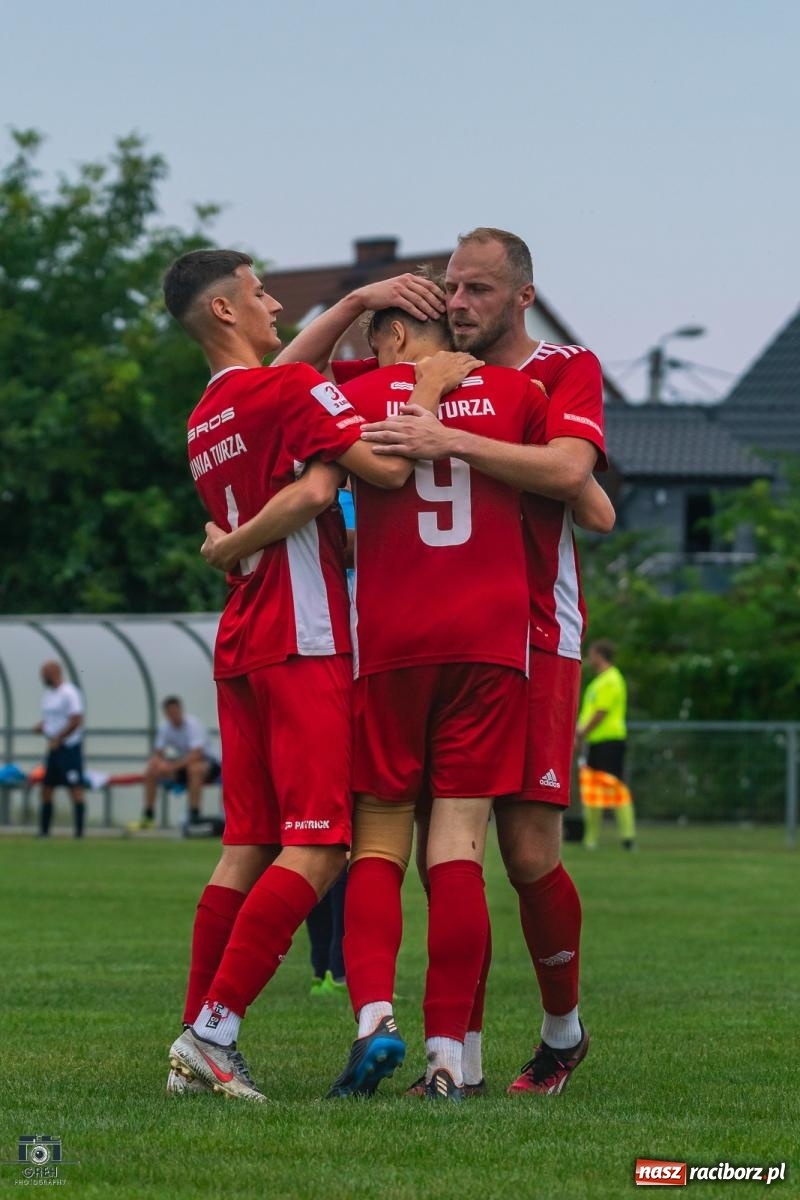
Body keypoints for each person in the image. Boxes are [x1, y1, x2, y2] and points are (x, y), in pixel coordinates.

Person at [202, 283, 612, 1101]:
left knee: (380, 844)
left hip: (388, 647)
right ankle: (450, 1059)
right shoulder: (516, 393)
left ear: (390, 336)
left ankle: (372, 1018)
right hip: (494, 645)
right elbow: (593, 505)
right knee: (459, 847)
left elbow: (290, 404)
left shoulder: (354, 396)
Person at [161, 248, 478, 1102]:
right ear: (225, 310)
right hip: (303, 635)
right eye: (260, 292)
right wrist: (425, 389)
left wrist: (355, 300)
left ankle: (191, 1046)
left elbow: (289, 397)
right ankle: (212, 1031)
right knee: (320, 843)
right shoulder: (289, 392)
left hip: (242, 637)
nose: (273, 305)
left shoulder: (206, 415)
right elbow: (380, 471)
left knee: (246, 847)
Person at [353, 228, 610, 1096]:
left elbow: (576, 477)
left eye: (478, 291)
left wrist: (446, 438)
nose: (458, 304)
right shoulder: (418, 375)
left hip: (538, 629)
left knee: (528, 852)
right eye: (452, 288)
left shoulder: (561, 368)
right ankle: (455, 1056)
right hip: (449, 634)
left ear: (523, 298)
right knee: (445, 848)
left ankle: (562, 1031)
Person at [576, 640, 635, 850]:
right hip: (596, 741)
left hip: (610, 741)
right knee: (592, 790)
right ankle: (590, 839)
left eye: (591, 654)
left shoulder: (612, 679)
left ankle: (628, 837)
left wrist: (581, 733)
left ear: (600, 656)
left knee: (615, 787)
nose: (589, 658)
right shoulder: (599, 681)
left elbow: (601, 712)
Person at [131, 697, 221, 830]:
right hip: (184, 765)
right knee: (151, 771)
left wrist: (172, 767)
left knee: (195, 769)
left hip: (210, 763)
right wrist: (157, 764)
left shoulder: (193, 725)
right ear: (166, 713)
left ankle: (194, 815)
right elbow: (158, 753)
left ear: (181, 710)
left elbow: (197, 755)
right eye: (170, 712)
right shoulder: (165, 727)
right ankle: (148, 816)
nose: (174, 714)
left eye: (175, 711)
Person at [34, 661, 86, 838]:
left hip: (69, 748)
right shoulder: (48, 694)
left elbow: (76, 720)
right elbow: (52, 719)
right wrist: (42, 727)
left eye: (45, 673)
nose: (43, 677)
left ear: (55, 672)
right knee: (47, 788)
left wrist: (59, 738)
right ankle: (44, 832)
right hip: (53, 748)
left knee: (75, 788)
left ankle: (79, 833)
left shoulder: (70, 693)